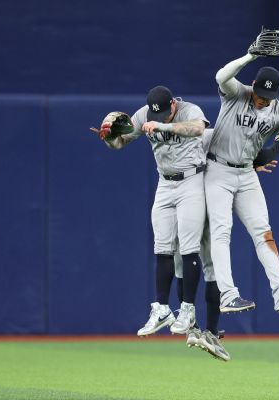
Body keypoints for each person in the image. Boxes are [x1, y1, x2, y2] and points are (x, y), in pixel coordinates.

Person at [205, 48, 279, 314]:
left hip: (247, 173)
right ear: (253, 85)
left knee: (264, 232)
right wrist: (250, 57)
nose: (263, 100)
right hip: (218, 170)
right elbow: (220, 75)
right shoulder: (237, 94)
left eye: (268, 97)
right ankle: (228, 295)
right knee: (221, 232)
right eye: (260, 94)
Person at [91, 85, 209, 337]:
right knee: (162, 247)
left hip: (192, 180)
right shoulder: (145, 113)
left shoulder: (188, 109)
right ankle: (163, 309)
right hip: (165, 183)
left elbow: (198, 128)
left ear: (173, 105)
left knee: (189, 247)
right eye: (157, 115)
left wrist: (163, 127)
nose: (160, 117)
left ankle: (188, 309)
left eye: (165, 113)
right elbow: (119, 143)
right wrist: (109, 137)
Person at [172, 128, 279, 362]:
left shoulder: (210, 136)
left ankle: (208, 332)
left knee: (204, 267)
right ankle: (197, 329)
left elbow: (233, 157)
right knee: (187, 265)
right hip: (190, 207)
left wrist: (250, 166)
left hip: (202, 208)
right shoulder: (180, 141)